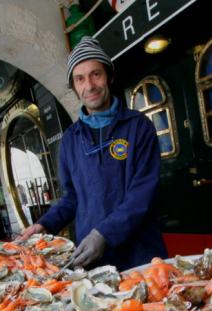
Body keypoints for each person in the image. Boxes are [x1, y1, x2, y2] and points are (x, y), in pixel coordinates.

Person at [19, 37, 167, 270]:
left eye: (95, 74)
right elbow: (71, 198)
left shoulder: (139, 127)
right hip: (93, 260)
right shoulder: (70, 139)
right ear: (74, 86)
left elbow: (142, 195)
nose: (89, 85)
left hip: (141, 254)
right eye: (80, 79)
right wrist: (44, 225)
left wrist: (104, 234)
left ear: (109, 75)